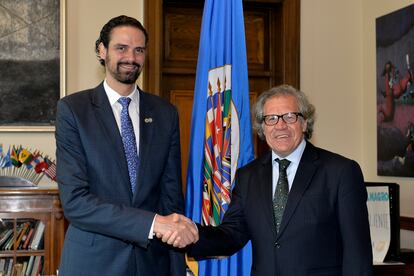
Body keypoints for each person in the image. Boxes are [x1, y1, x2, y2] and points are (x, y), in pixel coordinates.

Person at [55, 15, 198, 275]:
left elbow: (171, 197)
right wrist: (152, 224)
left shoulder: (165, 114)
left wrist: (178, 266)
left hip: (152, 263)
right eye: (121, 48)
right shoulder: (73, 111)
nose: (131, 57)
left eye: (139, 50)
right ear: (102, 50)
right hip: (94, 263)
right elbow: (75, 202)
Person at [178, 85, 373, 275]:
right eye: (271, 119)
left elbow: (357, 254)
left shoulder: (341, 172)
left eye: (290, 116)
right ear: (262, 127)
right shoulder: (248, 177)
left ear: (305, 123)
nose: (280, 126)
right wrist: (193, 234)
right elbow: (231, 235)